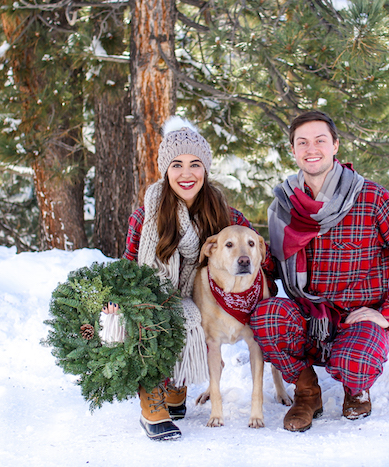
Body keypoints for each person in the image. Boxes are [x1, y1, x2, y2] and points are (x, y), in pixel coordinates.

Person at [250, 110, 389, 432]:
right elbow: (273, 266)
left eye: (320, 140)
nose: (312, 149)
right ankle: (307, 394)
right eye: (302, 142)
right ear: (293, 150)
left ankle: (355, 388)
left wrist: (388, 313)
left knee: (355, 361)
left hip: (356, 317)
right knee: (265, 315)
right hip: (306, 315)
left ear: (335, 145)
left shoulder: (373, 198)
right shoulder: (284, 204)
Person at [115, 117, 275, 441]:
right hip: (157, 295)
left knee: (192, 311)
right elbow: (130, 267)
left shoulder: (221, 211)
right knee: (150, 308)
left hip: (197, 297)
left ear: (205, 168)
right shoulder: (147, 214)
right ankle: (153, 397)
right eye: (177, 165)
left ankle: (178, 383)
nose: (186, 174)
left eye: (195, 164)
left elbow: (252, 248)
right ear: (165, 169)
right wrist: (116, 303)